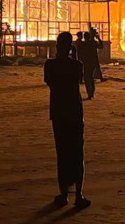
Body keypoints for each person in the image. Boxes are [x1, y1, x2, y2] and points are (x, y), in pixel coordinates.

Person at [44, 31, 91, 209]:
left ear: (57, 47)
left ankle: (64, 194)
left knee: (62, 153)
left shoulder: (50, 65)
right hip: (74, 111)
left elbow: (50, 82)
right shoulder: (76, 65)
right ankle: (78, 194)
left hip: (58, 112)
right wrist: (74, 57)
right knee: (77, 152)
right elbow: (78, 80)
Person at [78, 29, 103, 99]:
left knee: (87, 78)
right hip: (92, 62)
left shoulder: (83, 44)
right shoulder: (93, 43)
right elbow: (101, 46)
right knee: (90, 77)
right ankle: (91, 93)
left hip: (86, 62)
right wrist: (99, 39)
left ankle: (90, 93)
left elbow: (80, 54)